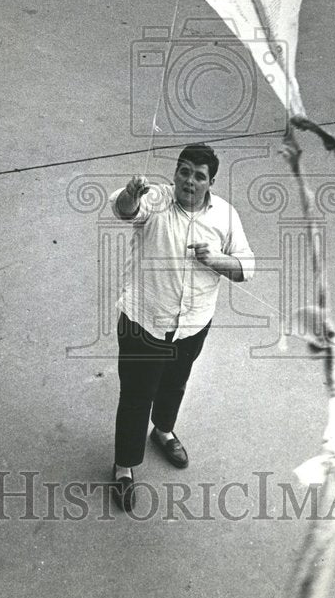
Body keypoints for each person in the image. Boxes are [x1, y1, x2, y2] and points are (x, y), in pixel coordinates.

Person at [107, 143, 254, 512]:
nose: (189, 180)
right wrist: (130, 193)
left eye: (199, 176)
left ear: (211, 182)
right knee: (136, 396)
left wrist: (216, 259)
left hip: (192, 324)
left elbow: (245, 269)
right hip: (145, 321)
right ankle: (124, 466)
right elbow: (123, 211)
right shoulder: (155, 199)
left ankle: (163, 431)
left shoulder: (225, 216)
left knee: (175, 383)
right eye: (184, 171)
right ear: (175, 173)